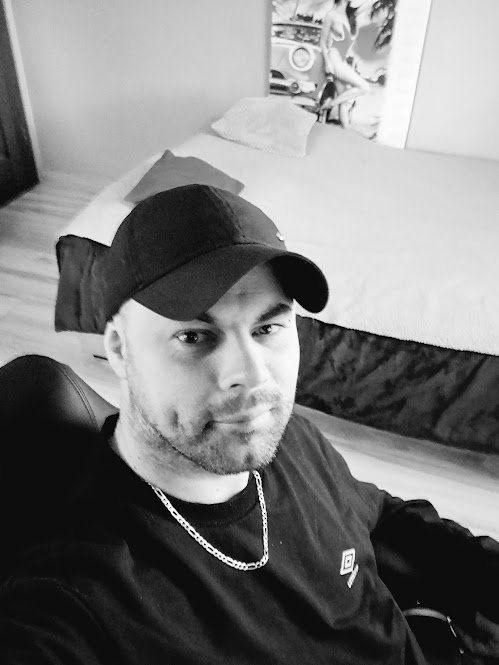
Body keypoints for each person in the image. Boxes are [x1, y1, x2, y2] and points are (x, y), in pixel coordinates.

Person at [1, 184, 498, 664]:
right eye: (194, 336)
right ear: (118, 348)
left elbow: (380, 514)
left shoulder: (291, 439)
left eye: (268, 328)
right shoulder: (79, 599)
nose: (253, 375)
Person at [319, 0, 372, 128]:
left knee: (345, 102)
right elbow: (322, 42)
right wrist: (327, 63)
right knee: (364, 87)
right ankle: (330, 104)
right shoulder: (331, 15)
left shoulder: (349, 15)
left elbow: (368, 4)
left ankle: (346, 132)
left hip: (341, 61)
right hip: (334, 60)